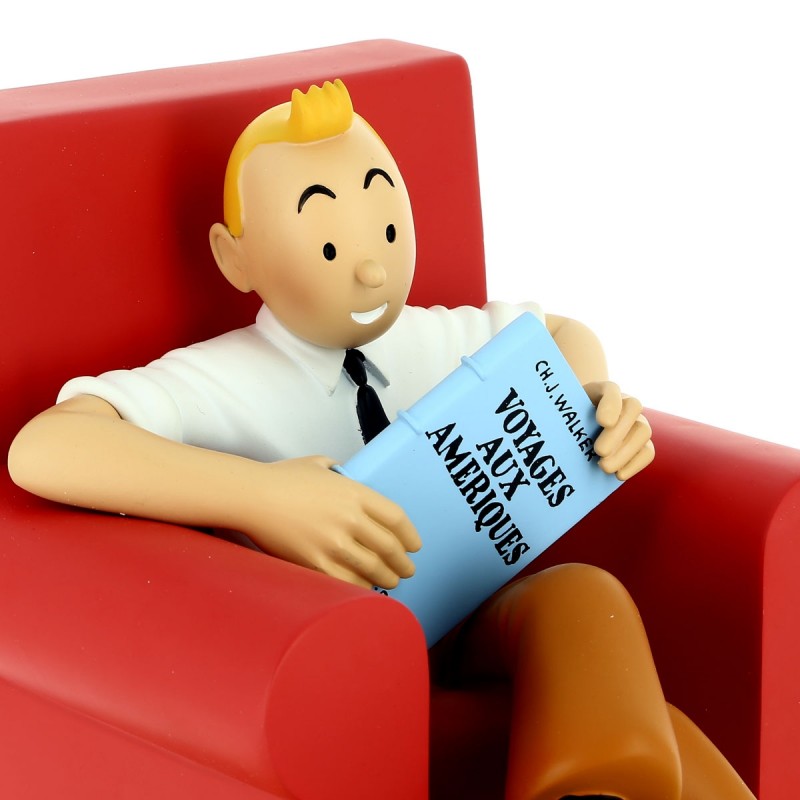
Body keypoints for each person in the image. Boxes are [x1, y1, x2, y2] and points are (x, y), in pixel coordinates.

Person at [8, 79, 754, 800]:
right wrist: (261, 497)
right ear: (236, 257)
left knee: (585, 596)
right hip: (335, 658)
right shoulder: (221, 380)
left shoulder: (429, 339)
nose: (372, 271)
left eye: (390, 234)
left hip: (467, 621)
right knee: (670, 740)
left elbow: (560, 333)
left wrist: (586, 403)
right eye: (332, 249)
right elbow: (43, 449)